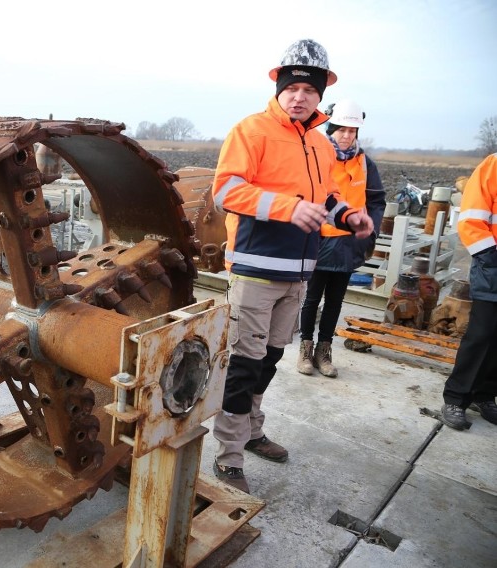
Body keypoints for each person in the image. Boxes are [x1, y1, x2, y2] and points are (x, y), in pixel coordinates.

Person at [211, 39, 374, 493]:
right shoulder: (252, 131)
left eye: (309, 89)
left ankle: (252, 429)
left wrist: (347, 215)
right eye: (293, 87)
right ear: (279, 87)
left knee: (271, 358)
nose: (300, 96)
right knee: (244, 363)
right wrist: (284, 207)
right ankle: (228, 455)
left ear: (321, 95)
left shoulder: (321, 146)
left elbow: (325, 197)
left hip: (299, 269)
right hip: (255, 269)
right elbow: (225, 192)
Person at [297, 100, 385, 377]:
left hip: (348, 246)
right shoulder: (317, 155)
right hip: (318, 241)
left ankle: (325, 351)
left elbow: (376, 200)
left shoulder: (365, 163)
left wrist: (370, 232)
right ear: (331, 128)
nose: (347, 136)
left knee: (335, 301)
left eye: (352, 131)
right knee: (311, 299)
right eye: (342, 130)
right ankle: (305, 350)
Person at [440, 153, 497, 430]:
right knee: (481, 334)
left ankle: (485, 395)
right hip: (493, 267)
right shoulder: (493, 165)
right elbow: (472, 218)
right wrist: (490, 255)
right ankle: (456, 398)